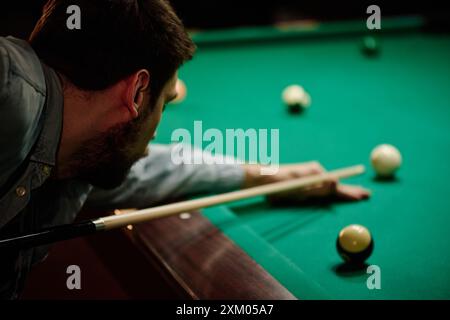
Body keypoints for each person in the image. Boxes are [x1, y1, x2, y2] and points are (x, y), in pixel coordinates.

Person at [0, 0, 369, 299]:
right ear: (137, 93)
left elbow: (144, 169)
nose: (157, 128)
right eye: (166, 102)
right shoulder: (10, 97)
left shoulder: (75, 143)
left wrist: (267, 175)